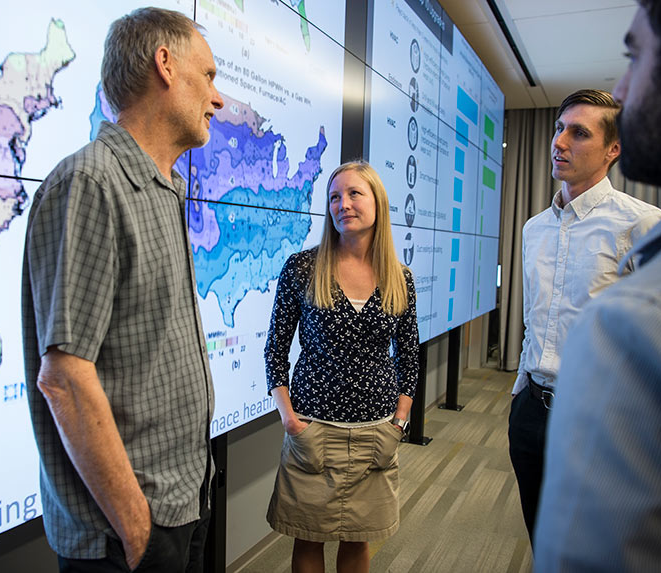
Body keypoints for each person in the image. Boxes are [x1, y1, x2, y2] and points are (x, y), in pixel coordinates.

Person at [535, 1, 661, 569]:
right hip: (533, 402)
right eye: (558, 129)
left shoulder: (650, 251)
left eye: (634, 56)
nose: (624, 85)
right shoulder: (533, 229)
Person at [21, 8, 223, 572]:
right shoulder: (90, 183)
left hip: (182, 501)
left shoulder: (164, 188)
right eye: (207, 76)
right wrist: (137, 528)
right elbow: (64, 378)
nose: (218, 97)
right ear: (165, 64)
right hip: (126, 534)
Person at [509, 89, 661, 542]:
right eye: (559, 128)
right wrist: (520, 395)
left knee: (597, 547)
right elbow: (533, 320)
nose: (560, 142)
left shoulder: (642, 224)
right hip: (532, 413)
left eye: (579, 133)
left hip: (601, 418)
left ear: (613, 149)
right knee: (544, 541)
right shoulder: (533, 228)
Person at [263, 161, 419, 573]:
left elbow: (409, 355)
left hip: (376, 432)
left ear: (377, 204)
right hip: (314, 429)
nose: (342, 204)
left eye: (354, 194)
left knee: (357, 540)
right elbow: (275, 350)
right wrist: (291, 421)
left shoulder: (399, 277)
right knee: (308, 539)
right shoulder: (301, 267)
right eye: (334, 196)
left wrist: (399, 422)